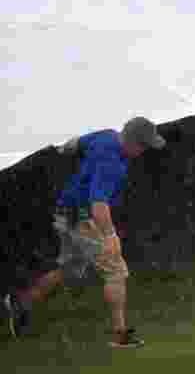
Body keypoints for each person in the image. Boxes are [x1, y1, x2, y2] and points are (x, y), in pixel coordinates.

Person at [2, 117, 166, 347]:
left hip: (65, 212)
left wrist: (64, 153)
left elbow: (73, 144)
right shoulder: (111, 163)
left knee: (69, 268)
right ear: (133, 142)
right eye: (144, 146)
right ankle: (120, 335)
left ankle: (21, 302)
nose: (144, 151)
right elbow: (98, 204)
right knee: (115, 271)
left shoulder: (106, 135)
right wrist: (110, 236)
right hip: (82, 218)